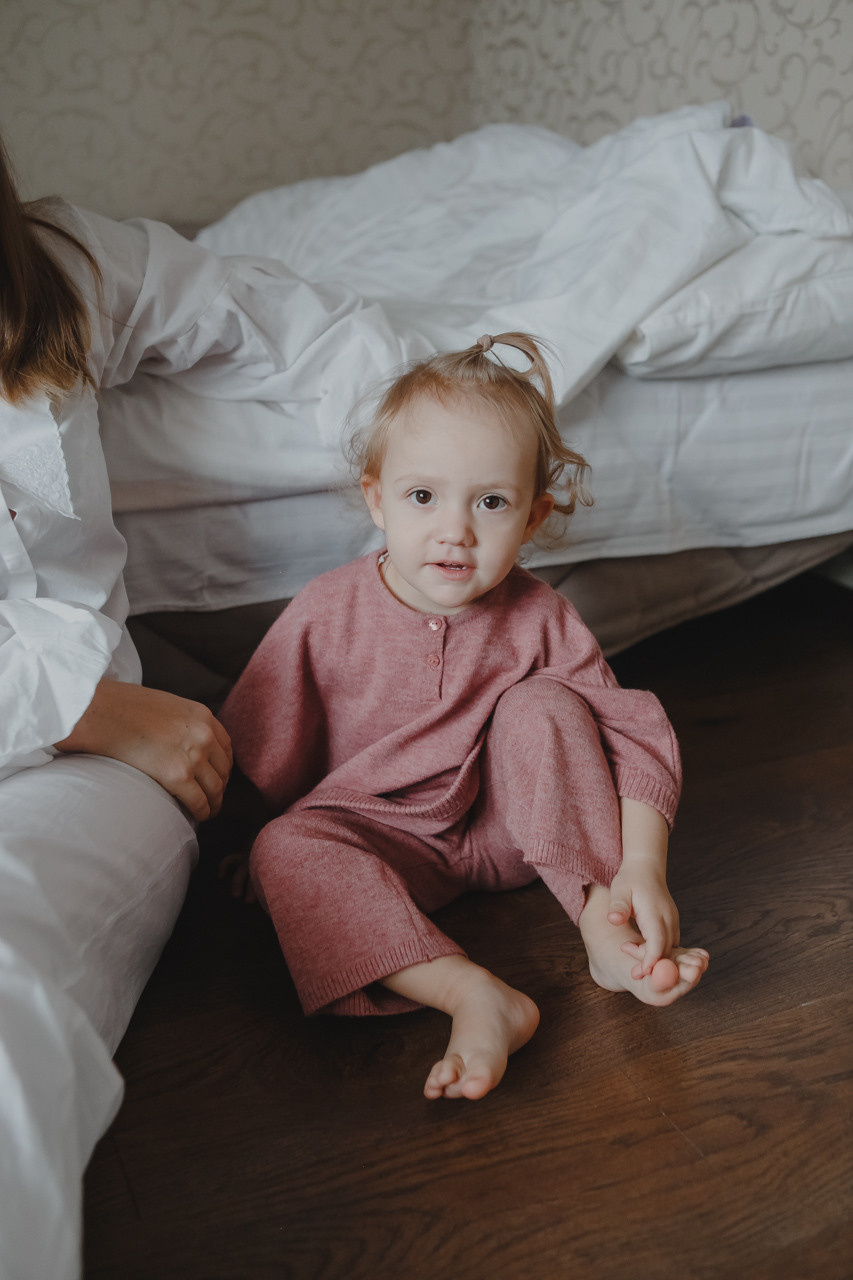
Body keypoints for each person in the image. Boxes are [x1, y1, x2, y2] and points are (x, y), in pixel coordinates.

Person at [0, 132, 364, 1280]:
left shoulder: (57, 263)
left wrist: (412, 466)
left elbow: (271, 312)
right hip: (102, 728)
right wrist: (89, 708)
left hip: (82, 782)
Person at [221, 333, 710, 1103]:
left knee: (544, 703)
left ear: (533, 516)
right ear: (376, 498)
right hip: (385, 842)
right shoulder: (326, 611)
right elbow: (258, 739)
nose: (455, 529)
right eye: (423, 497)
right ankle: (469, 994)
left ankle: (601, 925)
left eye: (490, 502)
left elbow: (630, 733)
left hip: (516, 833)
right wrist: (241, 845)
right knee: (283, 846)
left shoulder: (538, 615)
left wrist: (640, 867)